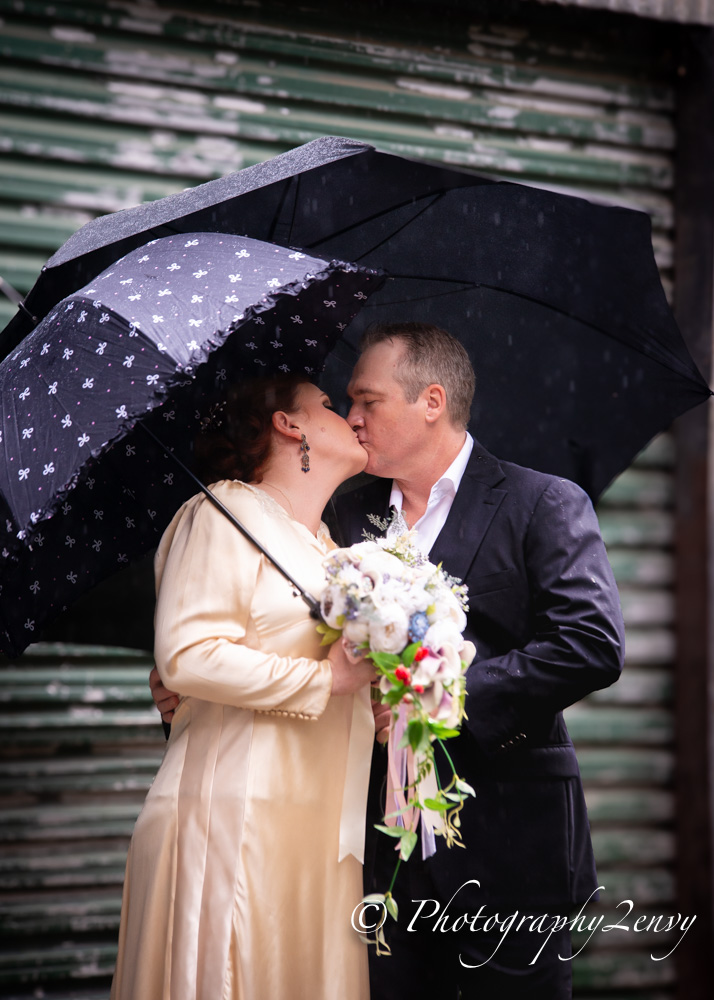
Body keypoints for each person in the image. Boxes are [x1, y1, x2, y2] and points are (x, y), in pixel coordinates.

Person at [153, 323, 625, 999]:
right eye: (346, 402)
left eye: (367, 400)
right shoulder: (338, 521)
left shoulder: (540, 502)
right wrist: (193, 684)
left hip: (512, 840)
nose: (352, 416)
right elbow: (270, 630)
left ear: (431, 401)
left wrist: (442, 692)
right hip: (373, 859)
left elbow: (590, 643)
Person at [112, 375, 376, 1000]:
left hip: (318, 831)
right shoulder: (223, 511)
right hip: (236, 817)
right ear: (290, 425)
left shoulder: (330, 548)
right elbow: (188, 654)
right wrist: (325, 678)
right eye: (330, 405)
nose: (349, 416)